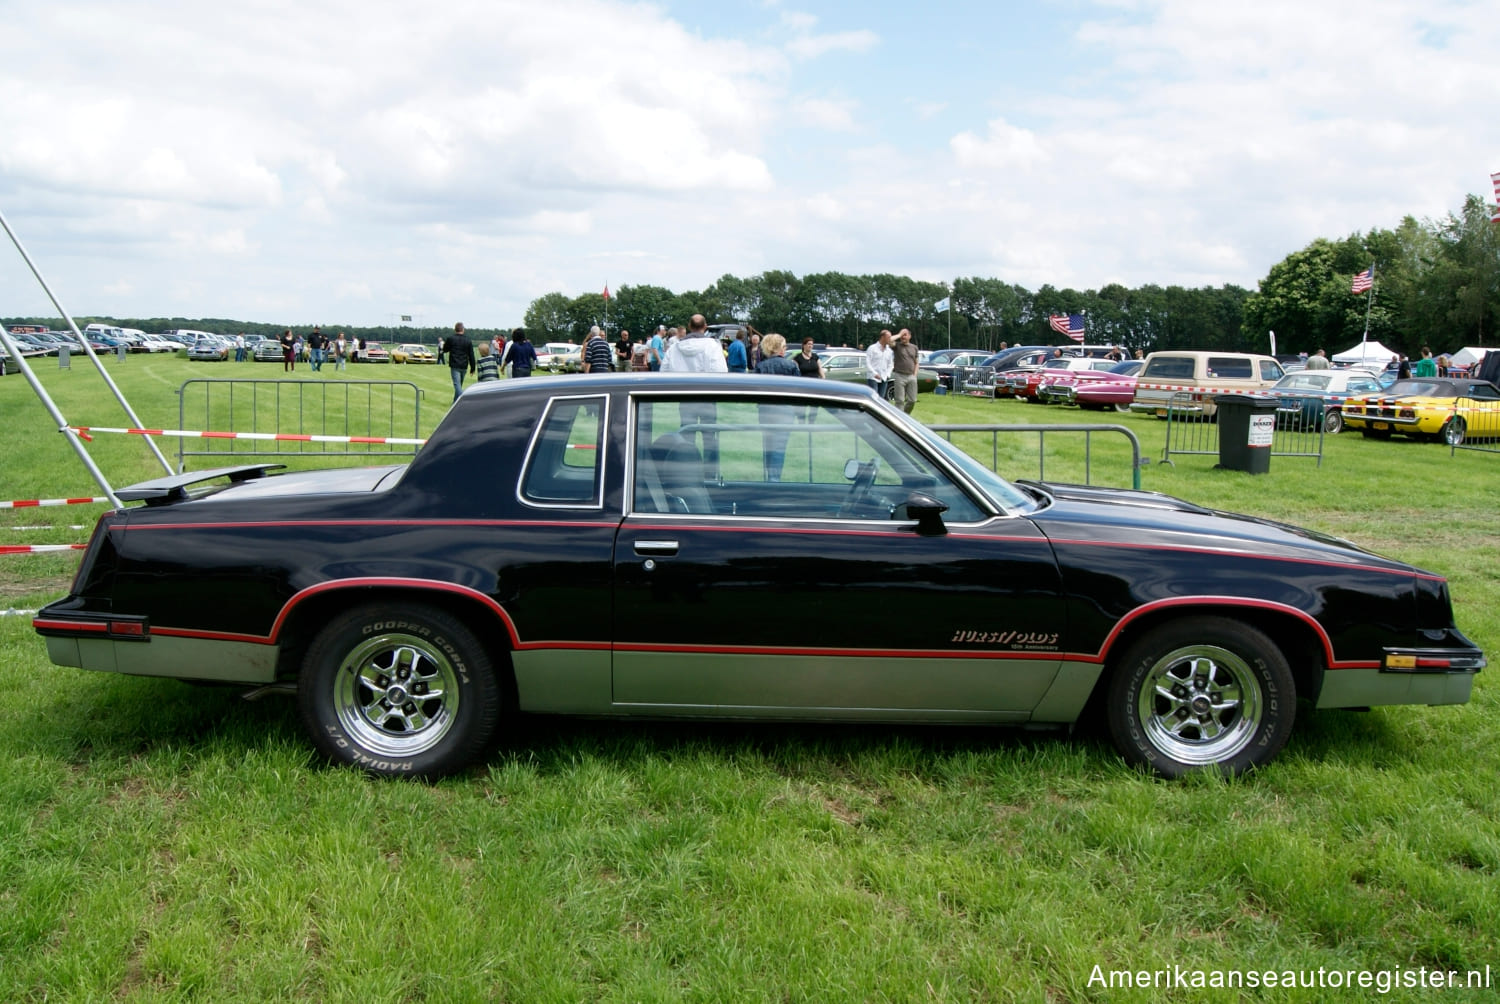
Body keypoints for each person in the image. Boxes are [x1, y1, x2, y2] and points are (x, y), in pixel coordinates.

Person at [755, 334, 800, 480]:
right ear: (780, 348)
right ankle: (774, 480)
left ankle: (769, 478)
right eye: (784, 346)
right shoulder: (791, 366)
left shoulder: (760, 367)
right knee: (779, 448)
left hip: (765, 411)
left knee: (767, 447)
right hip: (785, 411)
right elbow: (798, 391)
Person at [660, 314, 728, 373]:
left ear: (689, 326)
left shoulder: (673, 348)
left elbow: (664, 371)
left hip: (678, 387)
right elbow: (721, 371)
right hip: (705, 387)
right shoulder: (714, 347)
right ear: (705, 327)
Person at [442, 322, 475, 401]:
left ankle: (464, 400)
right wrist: (473, 368)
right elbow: (471, 355)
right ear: (463, 330)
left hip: (454, 364)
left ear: (455, 329)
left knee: (457, 385)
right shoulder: (468, 340)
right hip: (464, 365)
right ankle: (455, 403)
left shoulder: (451, 339)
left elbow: (445, 349)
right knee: (459, 385)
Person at [890, 327, 920, 413]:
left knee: (912, 400)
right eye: (902, 335)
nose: (903, 337)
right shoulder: (897, 346)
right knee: (899, 400)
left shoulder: (914, 347)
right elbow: (889, 340)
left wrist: (915, 374)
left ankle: (905, 416)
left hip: (911, 376)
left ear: (909, 336)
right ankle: (899, 419)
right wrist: (899, 334)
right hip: (900, 375)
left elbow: (916, 362)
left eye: (905, 335)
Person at [865, 329, 894, 399]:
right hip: (873, 377)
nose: (890, 339)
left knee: (881, 399)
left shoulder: (889, 351)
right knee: (873, 397)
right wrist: (874, 373)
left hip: (884, 377)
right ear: (882, 337)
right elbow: (867, 362)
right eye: (888, 337)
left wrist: (888, 374)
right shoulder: (872, 348)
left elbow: (891, 364)